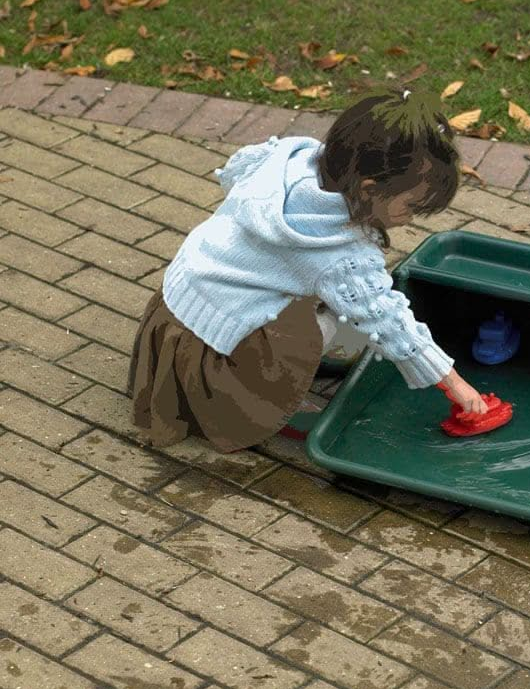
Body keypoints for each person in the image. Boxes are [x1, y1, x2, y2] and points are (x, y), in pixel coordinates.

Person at [127, 87, 488, 454]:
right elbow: (388, 321)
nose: (412, 219)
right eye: (411, 207)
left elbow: (235, 170)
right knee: (335, 325)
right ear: (369, 188)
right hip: (212, 345)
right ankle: (264, 394)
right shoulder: (337, 252)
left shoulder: (291, 158)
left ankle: (275, 356)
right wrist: (457, 386)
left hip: (177, 306)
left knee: (334, 306)